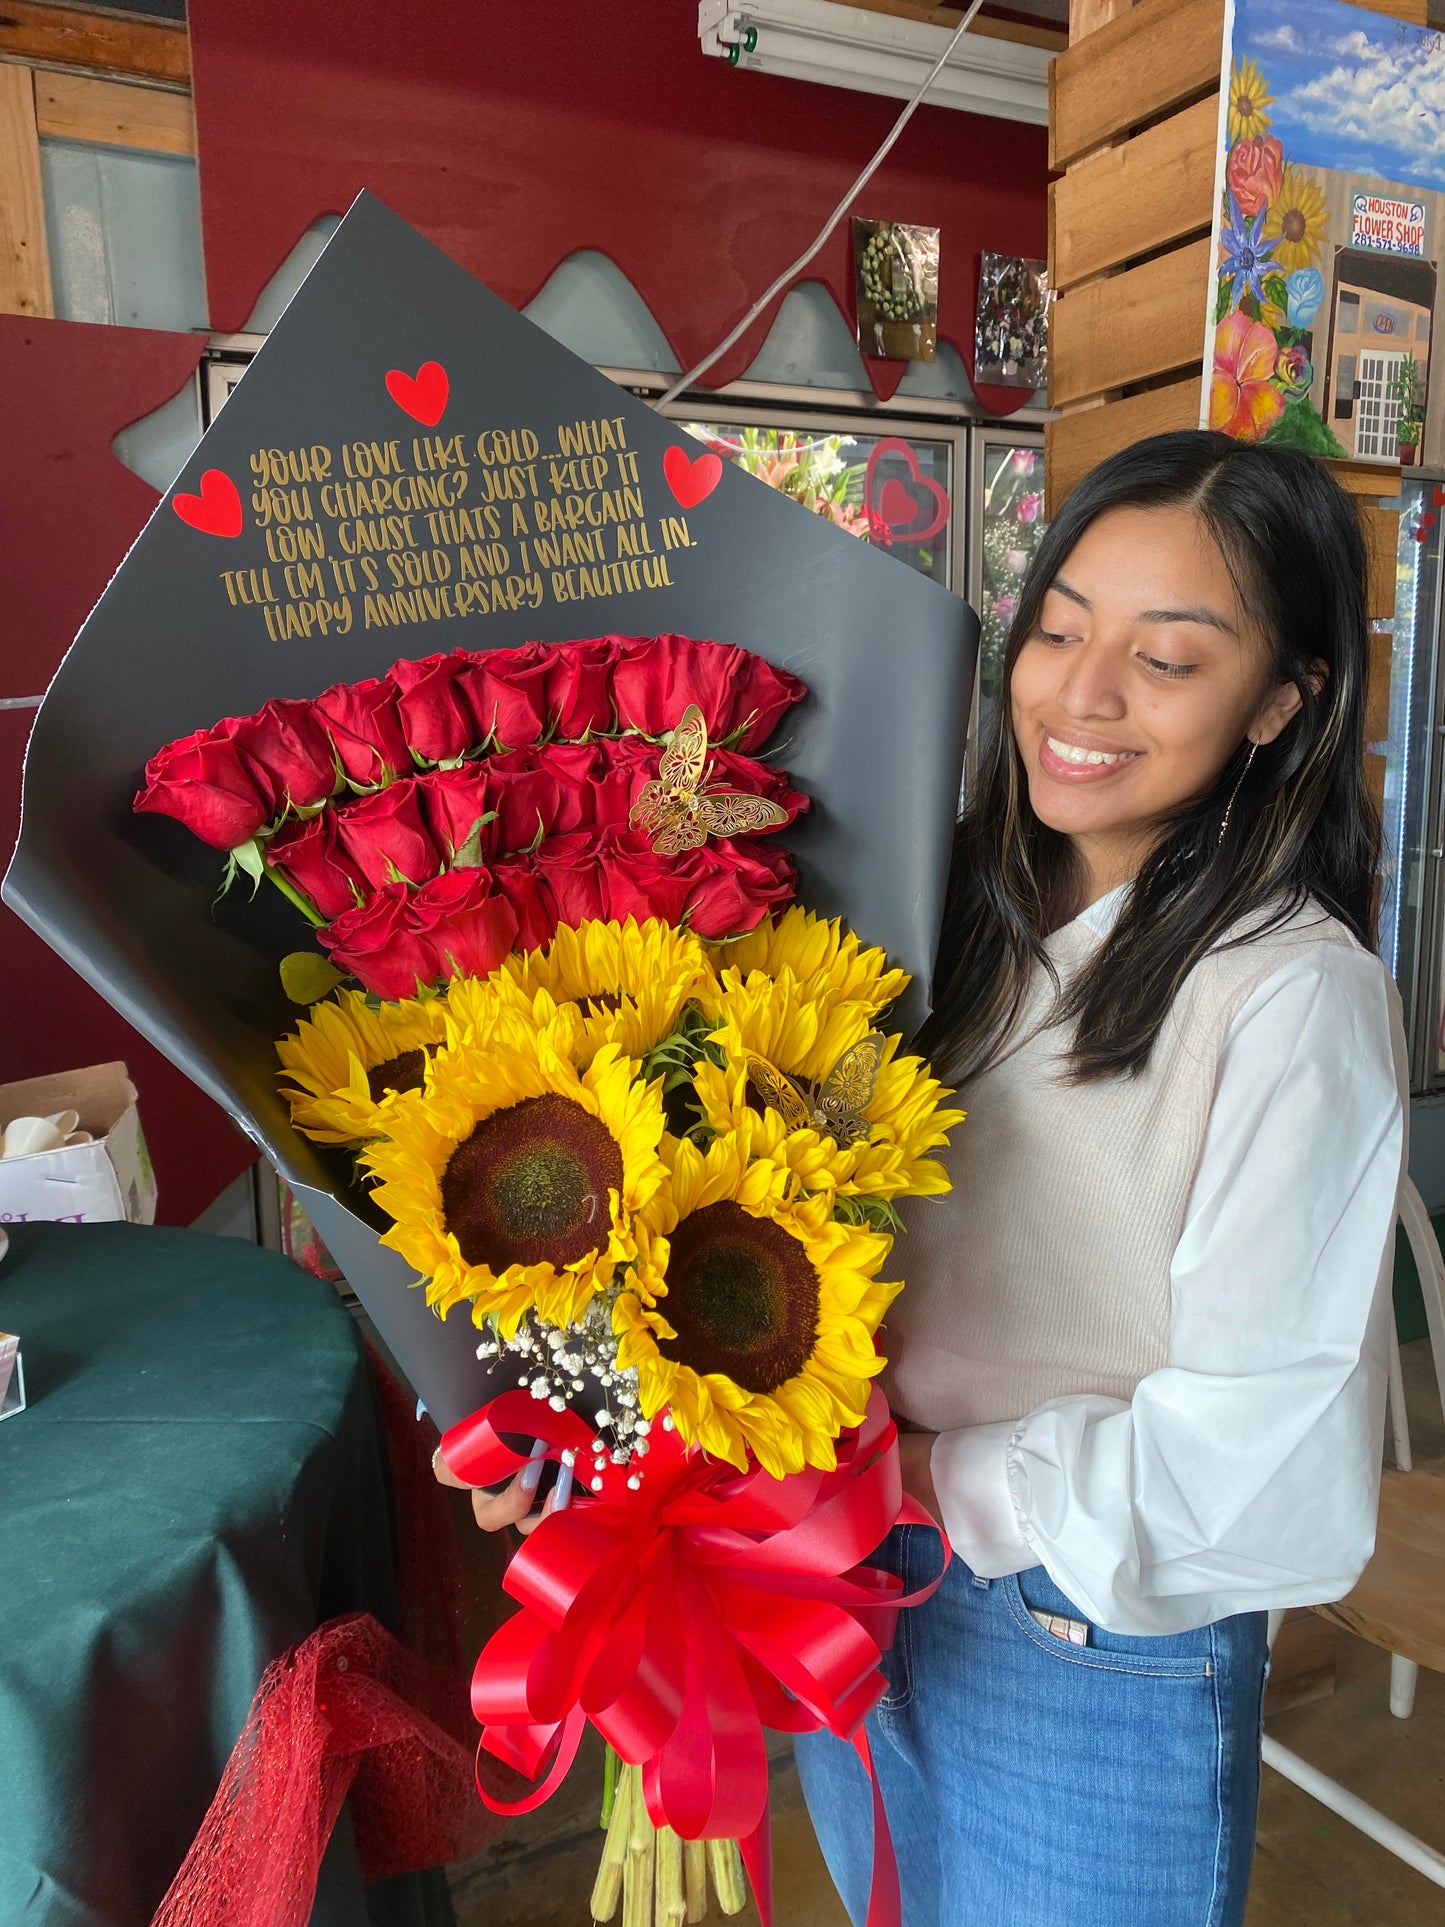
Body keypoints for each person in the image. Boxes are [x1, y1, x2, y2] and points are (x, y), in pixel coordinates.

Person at [792, 429, 1408, 1927]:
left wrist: (930, 1480)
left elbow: (1264, 1471)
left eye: (1168, 659)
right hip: (845, 1571)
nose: (1080, 692)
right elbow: (793, 1184)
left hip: (1076, 1619)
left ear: (1279, 700)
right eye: (1059, 627)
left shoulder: (1284, 999)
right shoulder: (933, 909)